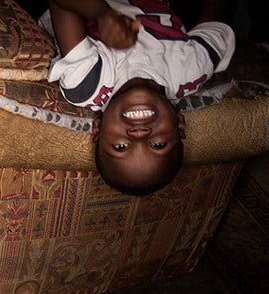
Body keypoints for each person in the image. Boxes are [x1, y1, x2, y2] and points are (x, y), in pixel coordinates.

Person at [42, 0, 236, 195]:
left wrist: (102, 15)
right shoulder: (193, 69)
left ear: (98, 128)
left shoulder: (88, 83)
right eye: (158, 145)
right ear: (179, 124)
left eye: (120, 146)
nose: (139, 134)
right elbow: (216, 15)